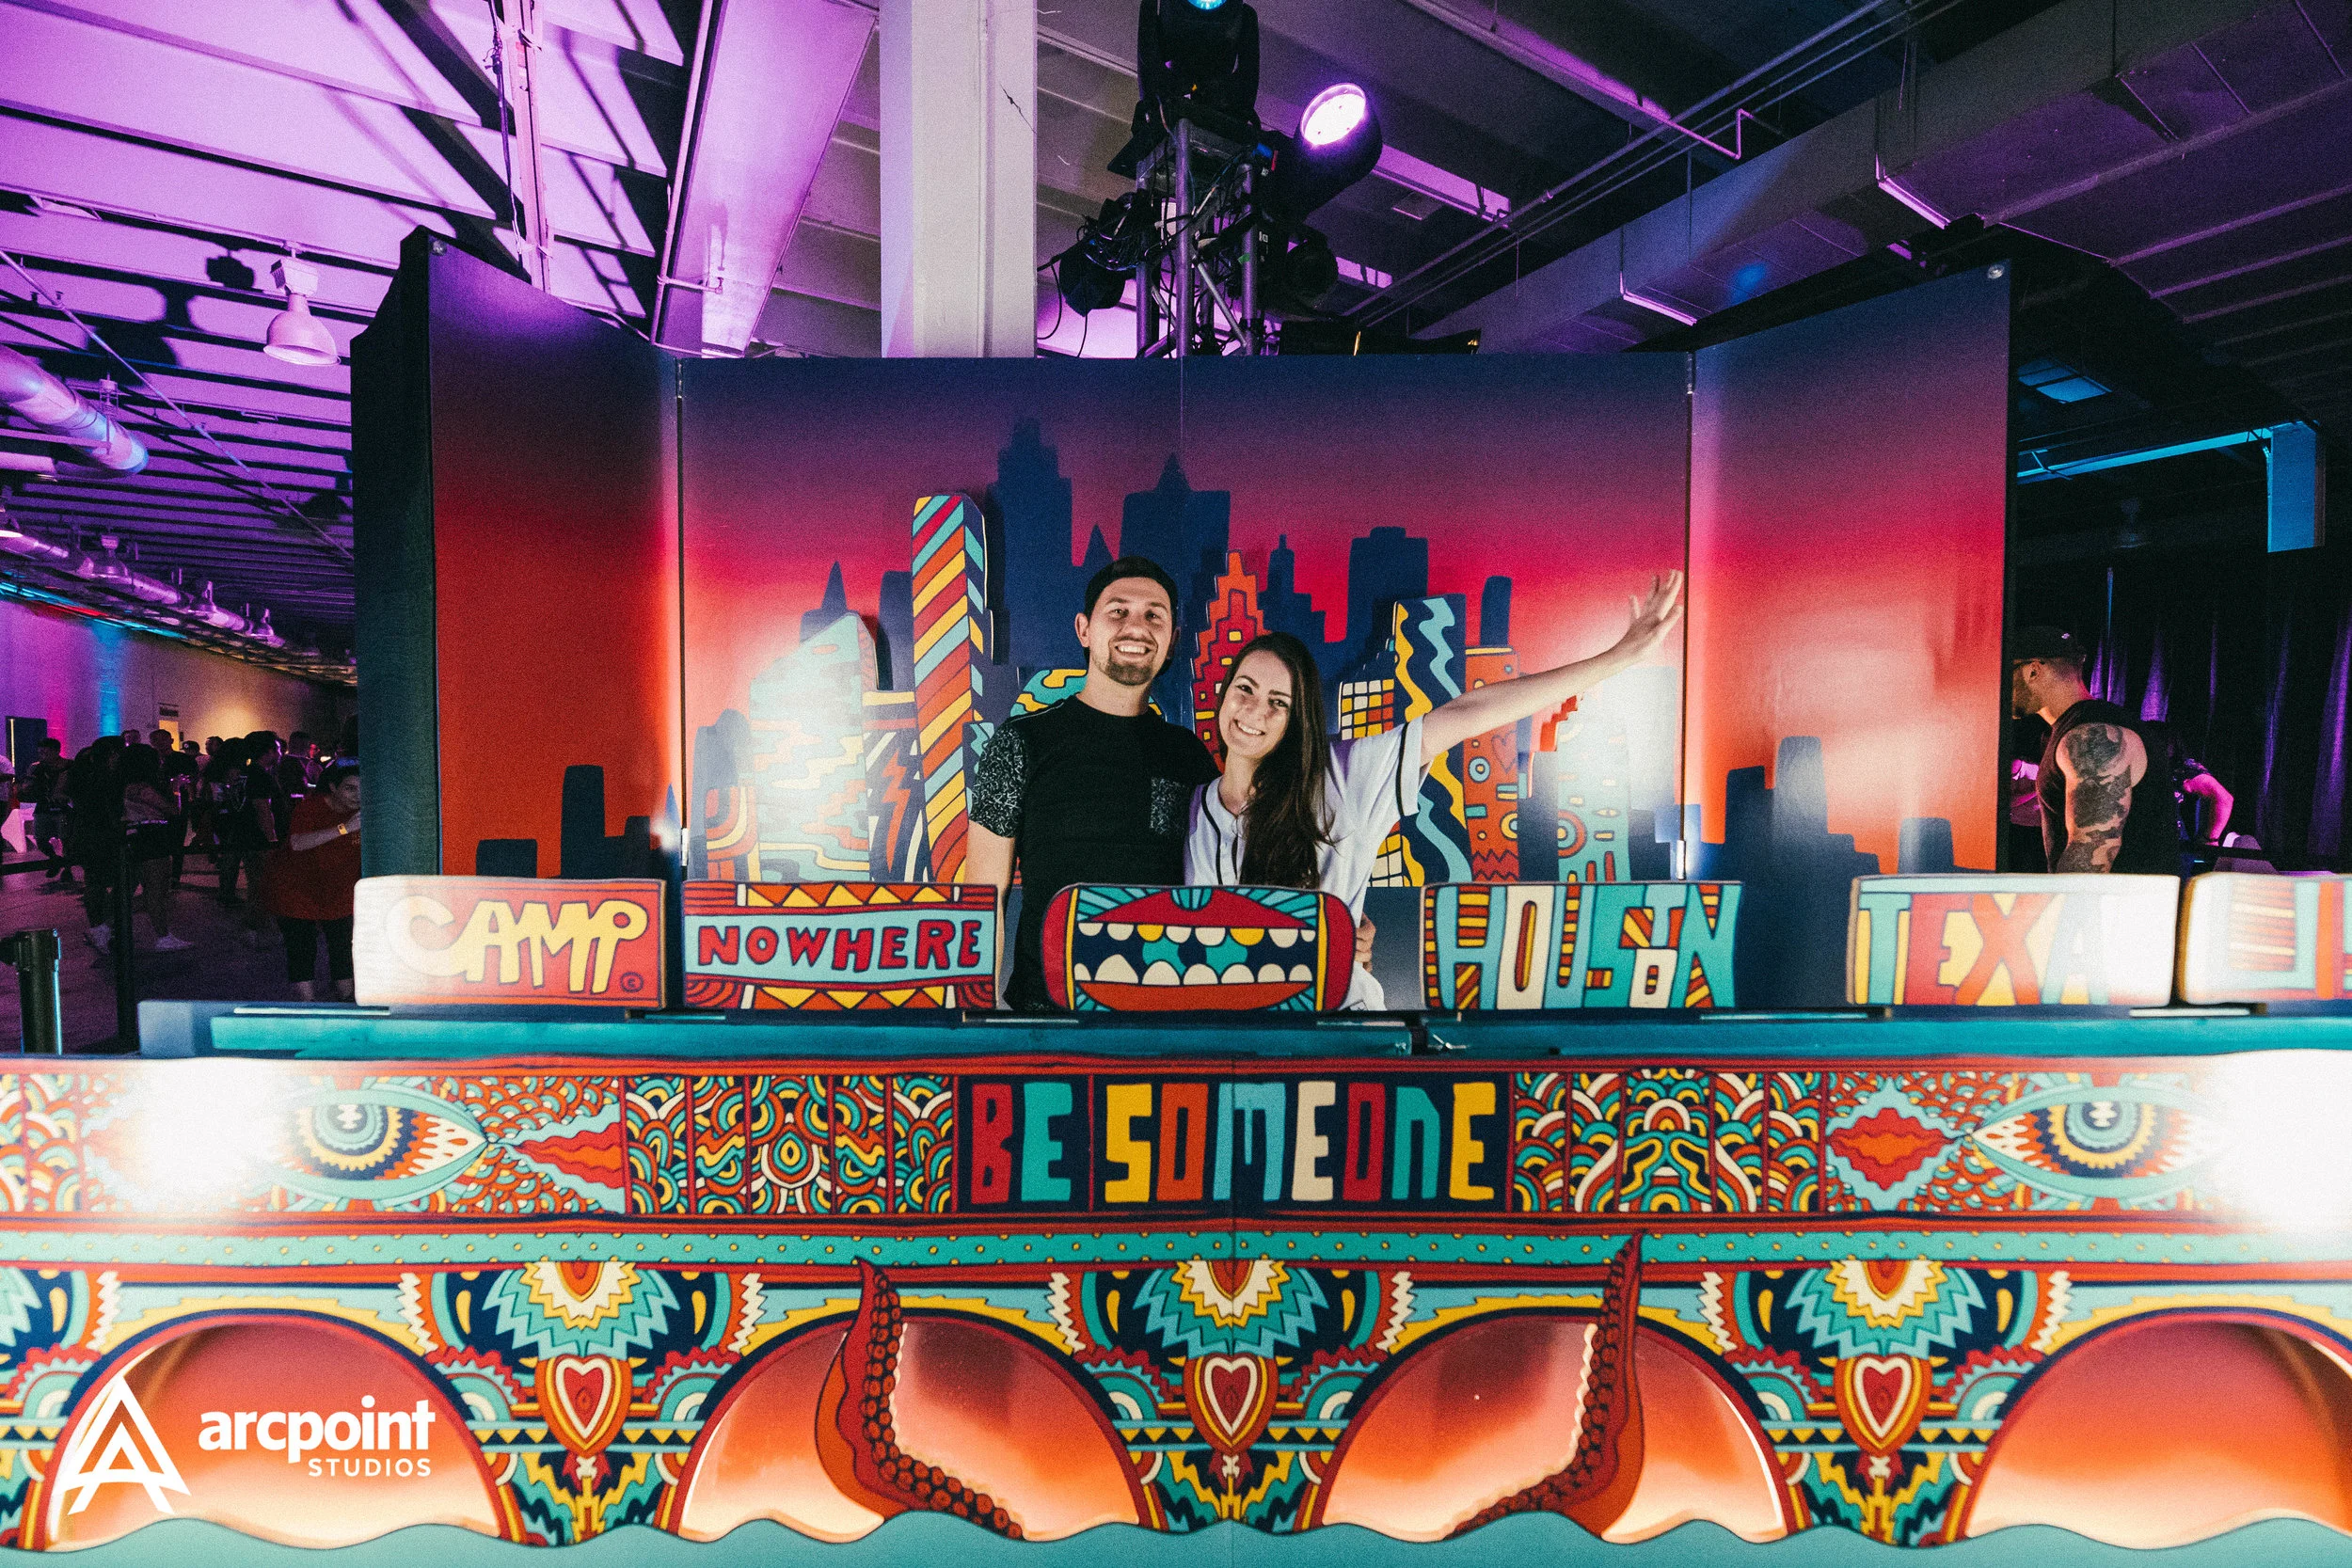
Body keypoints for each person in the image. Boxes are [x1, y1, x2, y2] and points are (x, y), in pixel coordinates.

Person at [1186, 573, 1686, 1007]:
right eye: (1245, 690)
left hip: (1336, 1028)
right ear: (1223, 695)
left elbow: (1463, 715)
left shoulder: (1344, 777)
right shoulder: (1194, 808)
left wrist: (1618, 658)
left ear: (1299, 723)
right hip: (1236, 1033)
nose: (1255, 712)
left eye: (1280, 702)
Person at [968, 557, 1221, 1011]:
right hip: (1046, 1019)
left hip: (1164, 1018)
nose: (1136, 628)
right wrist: (975, 1020)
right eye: (1118, 611)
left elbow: (1231, 882)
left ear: (1172, 640)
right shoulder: (1021, 742)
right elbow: (984, 898)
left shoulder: (1189, 757)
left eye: (1154, 616)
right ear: (1085, 629)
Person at [2009, 626, 2174, 874]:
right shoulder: (2071, 731)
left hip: (2116, 911)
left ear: (2033, 671)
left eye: (2004, 672)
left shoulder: (2090, 737)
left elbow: (2090, 859)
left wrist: (2058, 910)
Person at [264, 760, 361, 1001]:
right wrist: (344, 828)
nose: (358, 795)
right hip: (296, 891)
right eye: (350, 788)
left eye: (363, 788)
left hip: (338, 892)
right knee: (302, 951)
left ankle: (345, 1003)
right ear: (333, 787)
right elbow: (297, 843)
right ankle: (307, 1009)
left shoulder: (366, 811)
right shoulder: (312, 808)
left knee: (343, 951)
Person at [119, 744, 189, 951]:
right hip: (151, 837)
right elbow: (173, 811)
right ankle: (162, 936)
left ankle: (105, 927)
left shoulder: (125, 785)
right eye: (156, 759)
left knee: (140, 889)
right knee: (157, 889)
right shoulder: (141, 788)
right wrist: (176, 788)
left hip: (136, 836)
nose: (160, 762)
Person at [66, 737, 125, 955]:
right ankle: (101, 927)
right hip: (101, 835)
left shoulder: (83, 774)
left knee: (95, 881)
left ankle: (101, 927)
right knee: (103, 881)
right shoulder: (107, 779)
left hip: (87, 833)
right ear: (112, 754)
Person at [26, 737, 72, 882]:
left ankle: (67, 868)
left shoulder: (69, 766)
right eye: (41, 753)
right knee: (40, 838)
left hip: (63, 806)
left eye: (46, 753)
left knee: (66, 838)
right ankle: (55, 859)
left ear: (56, 751)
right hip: (44, 806)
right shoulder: (36, 767)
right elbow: (28, 785)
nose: (43, 756)